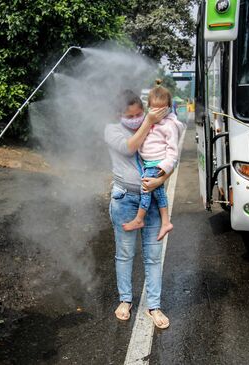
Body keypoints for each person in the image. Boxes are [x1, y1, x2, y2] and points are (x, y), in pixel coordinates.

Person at [105, 89, 175, 329]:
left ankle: (154, 306)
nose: (136, 118)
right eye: (131, 115)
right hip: (125, 198)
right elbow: (129, 148)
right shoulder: (112, 130)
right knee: (125, 254)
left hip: (153, 199)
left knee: (154, 256)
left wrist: (160, 180)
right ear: (120, 115)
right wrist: (148, 122)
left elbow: (168, 156)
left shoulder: (157, 126)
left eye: (140, 113)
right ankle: (125, 300)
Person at [122, 86, 184, 241]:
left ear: (169, 108)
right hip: (148, 163)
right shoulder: (148, 121)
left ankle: (139, 219)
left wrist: (163, 168)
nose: (157, 113)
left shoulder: (169, 125)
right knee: (159, 193)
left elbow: (173, 152)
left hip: (156, 164)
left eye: (161, 109)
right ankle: (166, 222)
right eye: (153, 109)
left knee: (146, 190)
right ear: (149, 108)